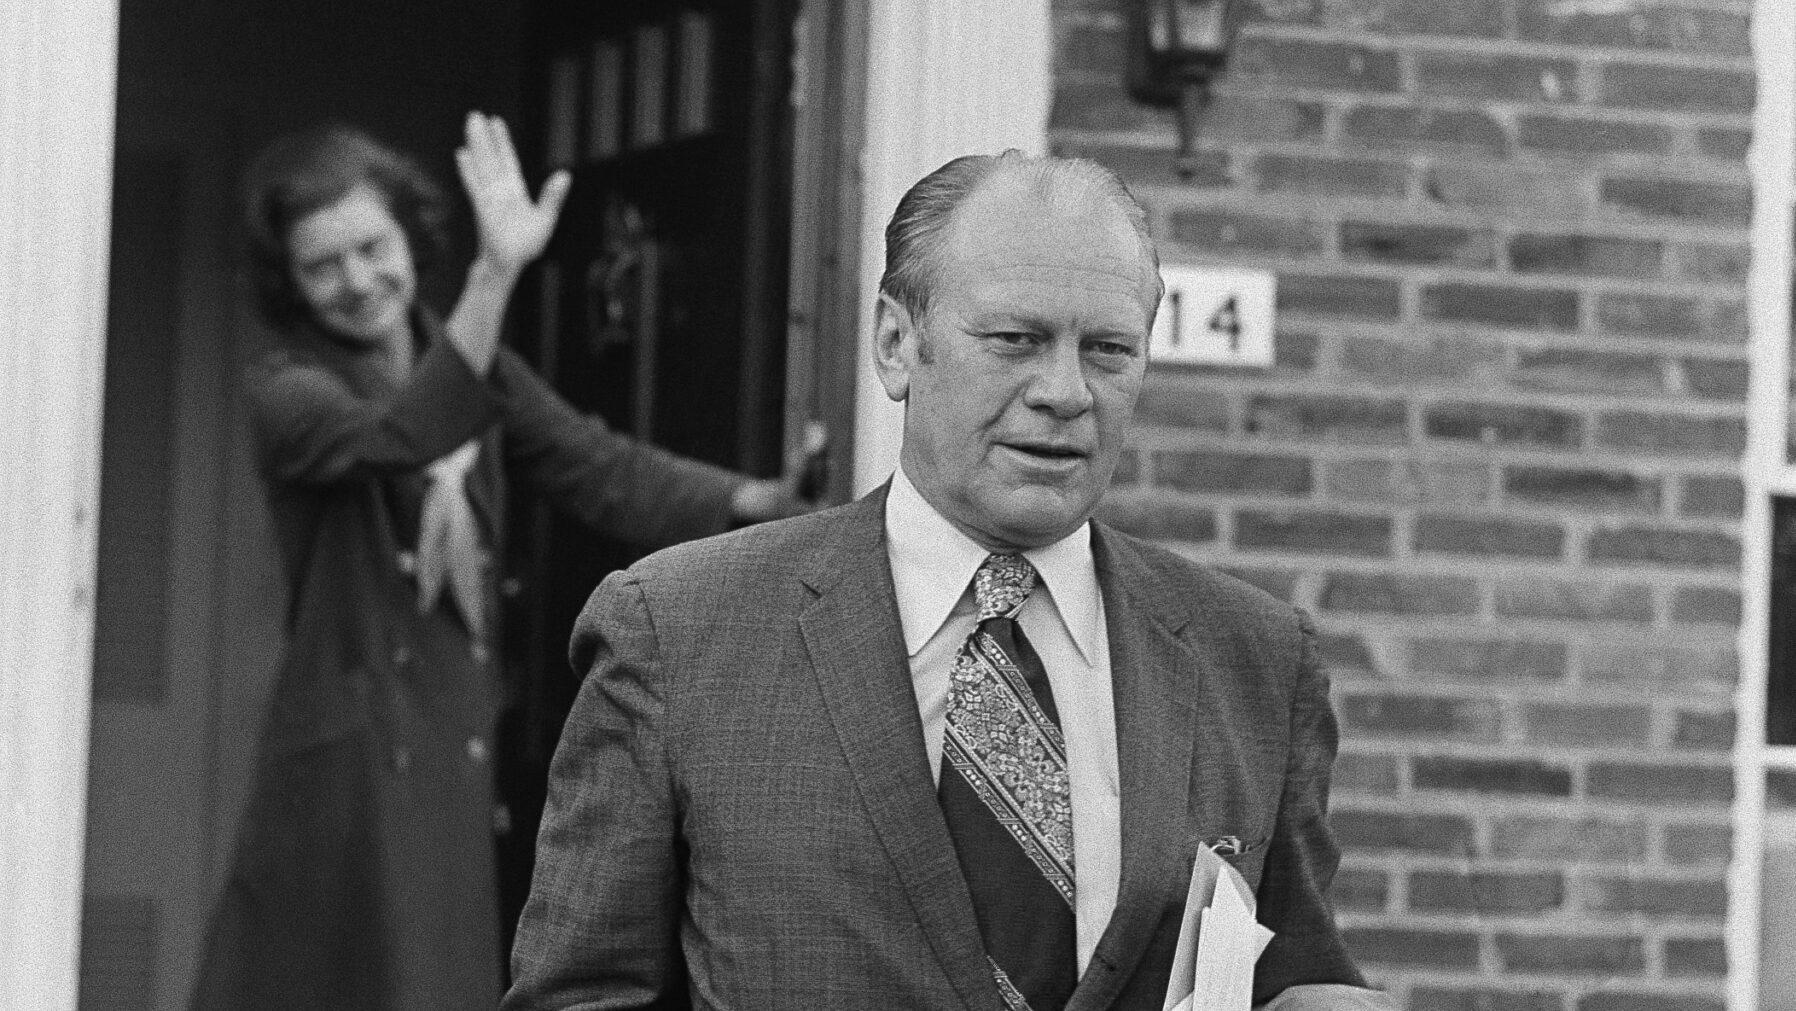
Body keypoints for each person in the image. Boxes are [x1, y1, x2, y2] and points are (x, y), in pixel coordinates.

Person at [503, 151, 1392, 1011]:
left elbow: (1293, 968)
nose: (1065, 391)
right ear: (897, 343)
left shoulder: (1257, 661)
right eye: (1015, 340)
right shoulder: (678, 633)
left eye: (1110, 350)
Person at [189, 113, 804, 1011]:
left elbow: (601, 468)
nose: (357, 281)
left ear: (408, 234)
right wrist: (496, 267)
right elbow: (409, 433)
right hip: (345, 767)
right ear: (289, 281)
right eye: (322, 265)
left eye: (371, 246)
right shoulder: (285, 391)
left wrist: (753, 499)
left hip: (450, 738)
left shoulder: (482, 370)